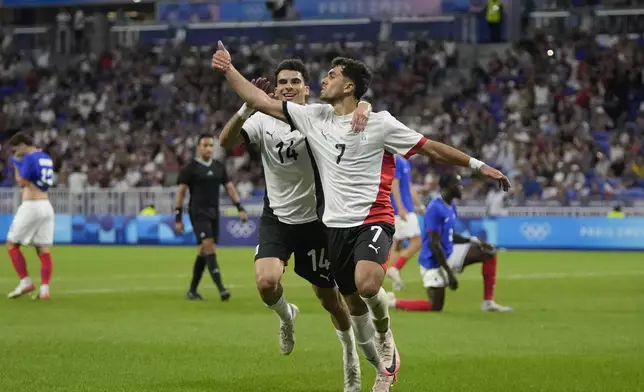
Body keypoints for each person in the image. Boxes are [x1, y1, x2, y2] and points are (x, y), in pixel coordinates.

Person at [211, 42, 511, 388]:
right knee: (352, 304)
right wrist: (228, 68)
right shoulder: (312, 118)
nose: (325, 79)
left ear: (348, 86)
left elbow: (430, 147)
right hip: (333, 227)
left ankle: (385, 338)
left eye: (331, 75)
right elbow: (258, 102)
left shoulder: (379, 122)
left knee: (368, 285)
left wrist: (478, 165)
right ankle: (381, 369)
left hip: (369, 219)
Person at [218, 59, 371, 392]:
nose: (288, 86)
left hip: (317, 222)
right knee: (265, 282)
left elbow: (353, 104)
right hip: (277, 218)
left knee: (330, 300)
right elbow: (226, 142)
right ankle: (287, 316)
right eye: (282, 82)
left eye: (295, 81)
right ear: (274, 89)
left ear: (306, 88)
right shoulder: (260, 119)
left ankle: (350, 358)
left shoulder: (319, 117)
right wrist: (246, 106)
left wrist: (364, 106)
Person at [387, 173, 512, 312]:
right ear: (447, 187)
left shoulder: (451, 205)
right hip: (433, 262)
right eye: (458, 184)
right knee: (435, 306)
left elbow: (450, 235)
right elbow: (434, 244)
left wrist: (472, 240)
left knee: (488, 251)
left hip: (449, 253)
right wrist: (449, 274)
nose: (461, 188)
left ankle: (488, 302)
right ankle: (391, 302)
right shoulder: (435, 208)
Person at [175, 134, 248, 301]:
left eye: (211, 145)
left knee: (203, 250)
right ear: (198, 147)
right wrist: (178, 216)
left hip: (214, 212)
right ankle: (221, 289)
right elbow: (181, 192)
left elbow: (229, 188)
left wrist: (240, 208)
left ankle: (192, 291)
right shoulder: (190, 168)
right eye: (205, 145)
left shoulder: (218, 167)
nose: (209, 148)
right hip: (198, 213)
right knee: (209, 247)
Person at [6, 132, 56, 300]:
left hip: (32, 205)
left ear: (22, 145)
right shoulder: (46, 157)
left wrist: (15, 165)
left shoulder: (29, 157)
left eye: (16, 150)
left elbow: (22, 182)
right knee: (42, 248)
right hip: (46, 205)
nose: (16, 153)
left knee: (11, 244)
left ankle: (25, 281)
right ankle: (45, 288)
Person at [385, 155, 426, 291]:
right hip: (403, 211)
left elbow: (409, 186)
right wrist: (400, 208)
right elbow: (394, 185)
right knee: (417, 242)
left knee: (397, 245)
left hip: (403, 209)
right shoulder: (398, 161)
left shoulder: (403, 162)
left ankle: (394, 277)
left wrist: (419, 205)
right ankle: (394, 269)